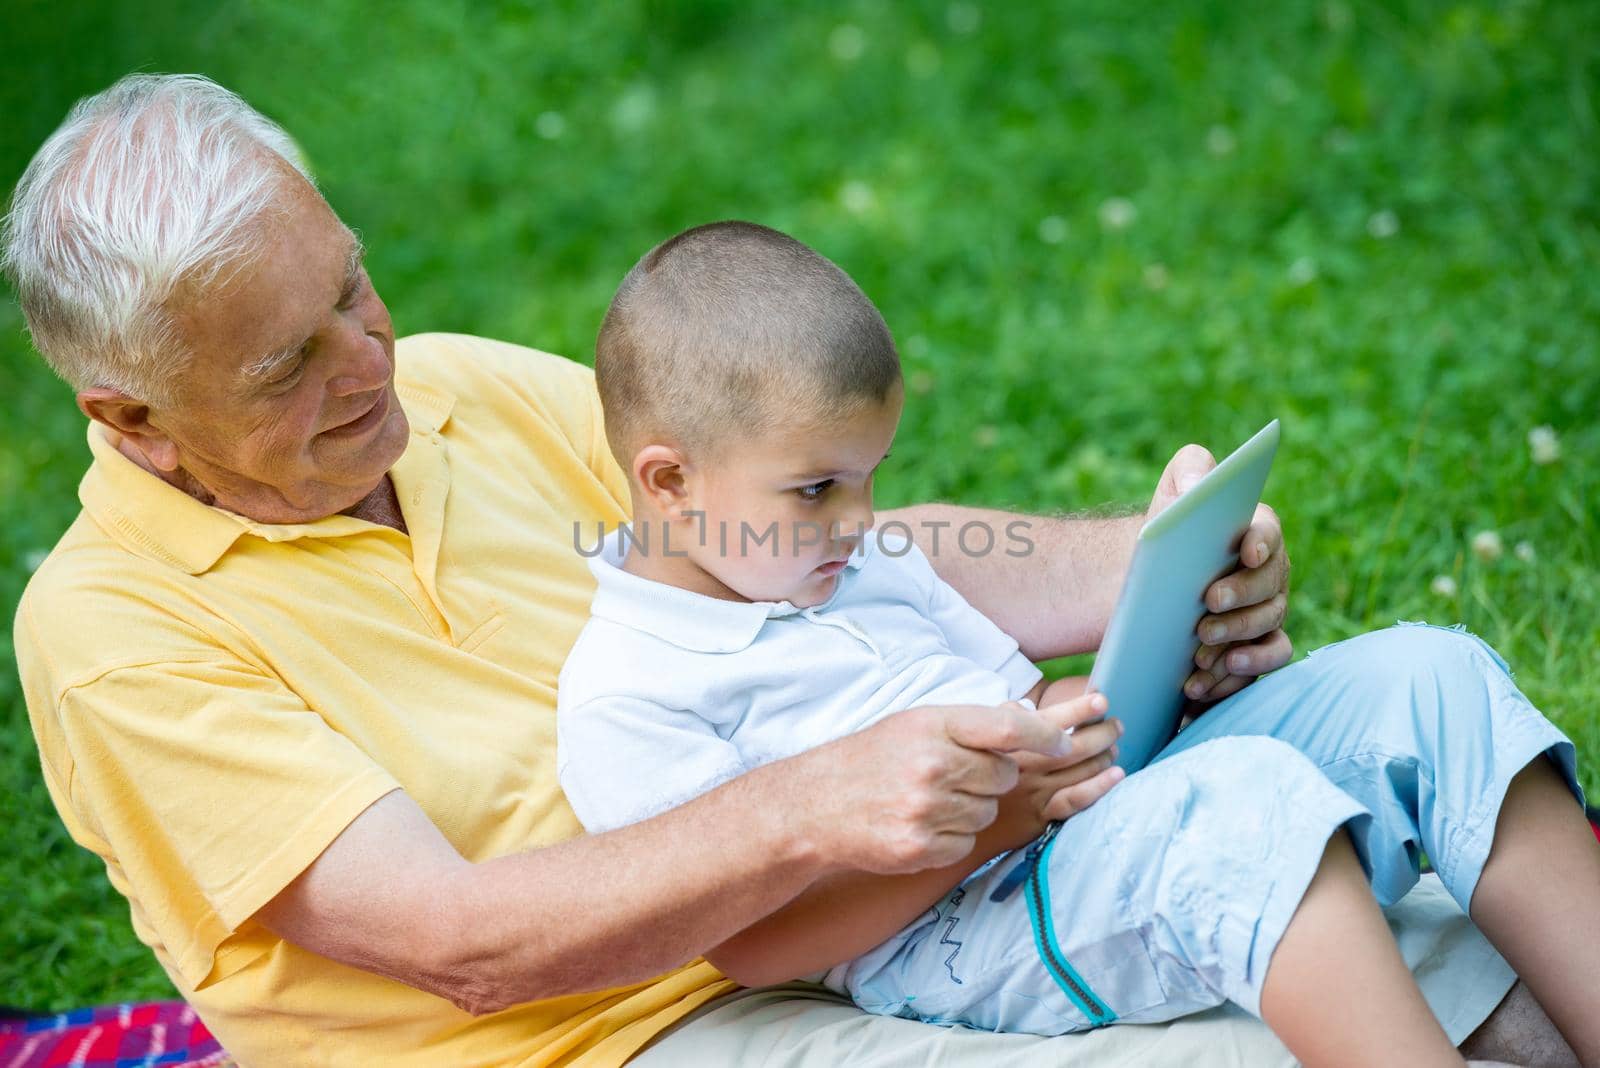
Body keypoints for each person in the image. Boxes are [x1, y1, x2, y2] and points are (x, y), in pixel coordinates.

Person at [2, 73, 1588, 1067]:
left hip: (914, 883)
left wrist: (1146, 571)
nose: (370, 361)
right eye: (289, 367)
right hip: (622, 1036)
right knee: (1271, 954)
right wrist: (828, 805)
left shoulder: (461, 391)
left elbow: (807, 534)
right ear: (131, 417)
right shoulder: (112, 634)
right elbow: (462, 948)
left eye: (356, 286)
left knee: (1436, 859)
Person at [555, 222, 1593, 1065]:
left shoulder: (857, 563)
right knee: (1239, 805)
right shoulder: (633, 692)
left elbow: (1019, 696)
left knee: (1429, 675)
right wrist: (996, 819)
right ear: (668, 481)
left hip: (1076, 827)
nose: (859, 518)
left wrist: (1123, 683)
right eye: (818, 489)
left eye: (869, 476)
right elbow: (753, 946)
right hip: (960, 933)